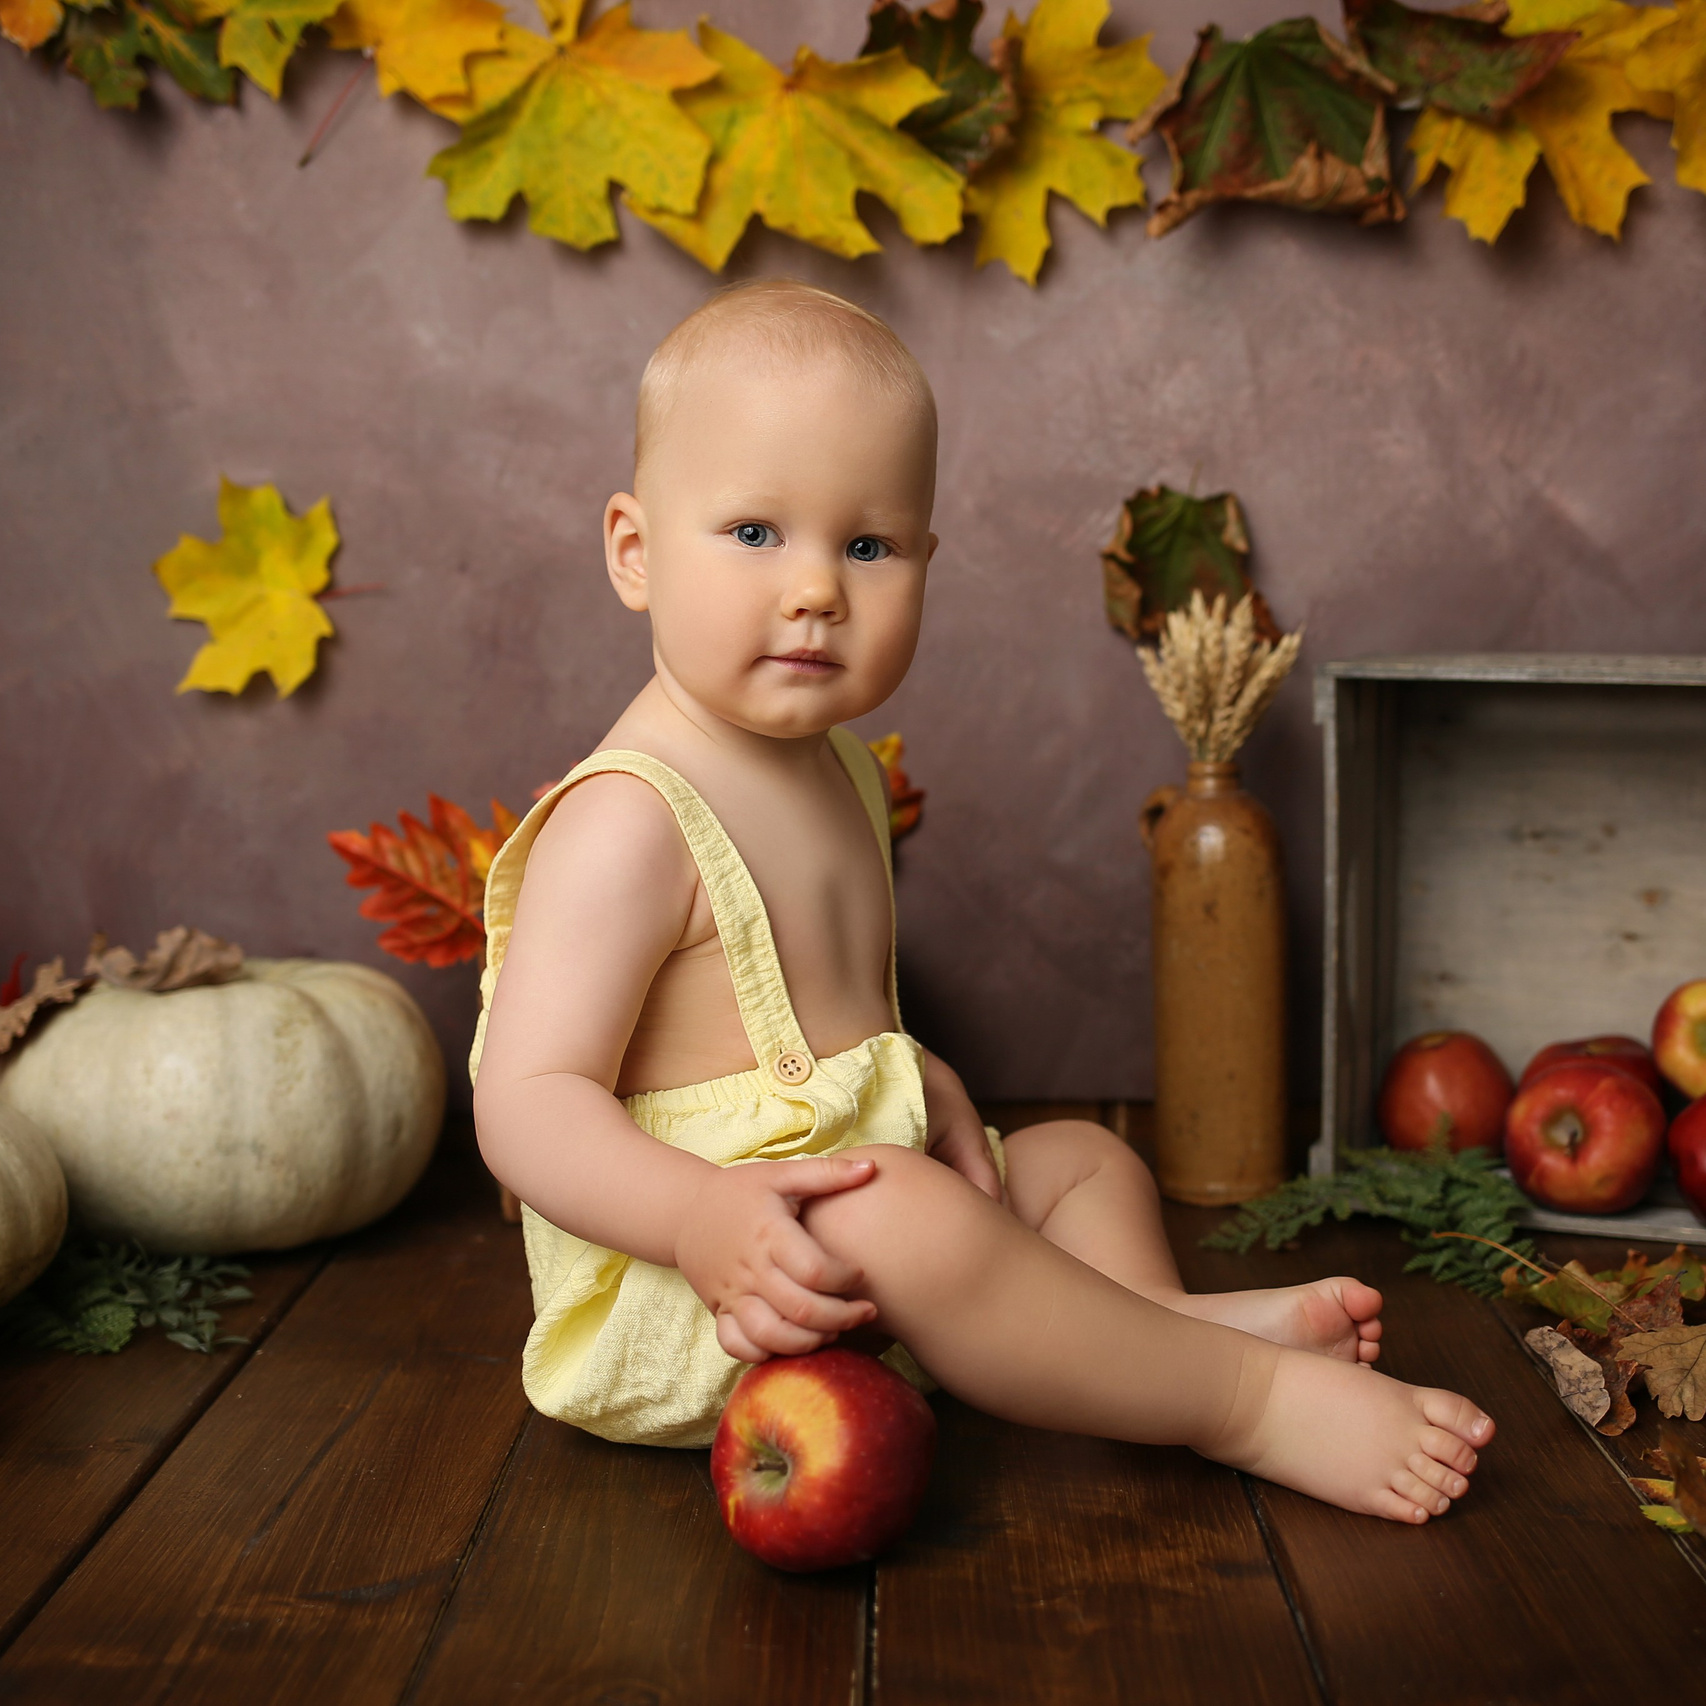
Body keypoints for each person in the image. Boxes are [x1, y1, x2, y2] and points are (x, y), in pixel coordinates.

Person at [471, 278, 1493, 1523]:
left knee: (1080, 1160)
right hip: (713, 1286)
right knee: (906, 1212)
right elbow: (525, 1103)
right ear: (634, 551)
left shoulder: (841, 767)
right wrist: (698, 1217)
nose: (816, 588)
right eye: (752, 531)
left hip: (860, 1207)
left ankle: (1144, 1333)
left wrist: (911, 1072)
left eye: (867, 546)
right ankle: (1242, 1400)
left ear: (924, 561)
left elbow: (806, 1021)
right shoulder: (625, 819)